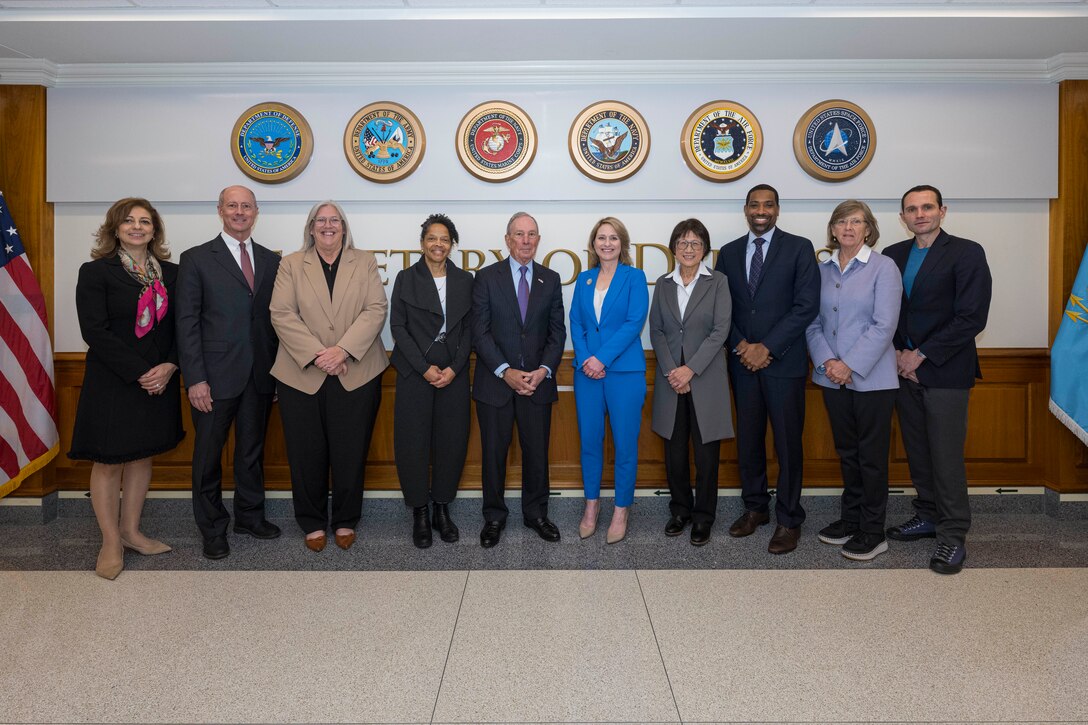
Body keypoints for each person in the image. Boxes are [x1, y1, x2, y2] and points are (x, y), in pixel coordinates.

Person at [68, 197, 183, 580]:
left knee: (141, 456)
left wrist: (168, 366)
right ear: (115, 228)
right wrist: (140, 372)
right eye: (129, 221)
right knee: (108, 460)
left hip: (160, 378)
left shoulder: (173, 273)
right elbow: (94, 331)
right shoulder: (95, 272)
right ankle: (110, 541)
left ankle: (132, 532)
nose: (137, 227)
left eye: (145, 221)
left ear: (155, 230)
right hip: (114, 381)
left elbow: (182, 327)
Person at [883, 185, 992, 575]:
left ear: (942, 211)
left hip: (945, 369)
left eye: (927, 207)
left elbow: (971, 317)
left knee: (945, 457)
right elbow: (886, 311)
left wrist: (921, 354)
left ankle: (952, 535)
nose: (920, 214)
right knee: (918, 451)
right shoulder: (893, 255)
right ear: (903, 217)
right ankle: (927, 515)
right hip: (902, 370)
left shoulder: (966, 252)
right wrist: (897, 352)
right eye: (911, 209)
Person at [270, 201, 388, 552]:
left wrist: (342, 350)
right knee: (307, 453)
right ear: (310, 228)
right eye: (320, 220)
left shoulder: (363, 261)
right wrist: (320, 355)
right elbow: (281, 313)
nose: (327, 225)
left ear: (344, 227)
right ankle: (312, 522)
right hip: (301, 373)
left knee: (351, 451)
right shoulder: (291, 264)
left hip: (357, 370)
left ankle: (346, 520)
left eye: (334, 220)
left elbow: (376, 308)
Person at [176, 185, 281, 560]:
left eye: (247, 206)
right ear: (220, 210)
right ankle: (212, 528)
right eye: (233, 206)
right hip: (213, 377)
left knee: (251, 452)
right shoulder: (197, 259)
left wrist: (277, 374)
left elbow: (275, 323)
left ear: (256, 212)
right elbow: (186, 323)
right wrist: (196, 379)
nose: (240, 212)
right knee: (207, 457)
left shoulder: (271, 260)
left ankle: (249, 517)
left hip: (259, 376)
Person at [714, 184, 819, 555]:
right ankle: (755, 508)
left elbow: (806, 306)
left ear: (778, 209)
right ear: (745, 210)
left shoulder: (800, 248)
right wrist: (743, 346)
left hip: (784, 363)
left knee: (788, 443)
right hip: (742, 364)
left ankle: (789, 519)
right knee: (749, 440)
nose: (761, 210)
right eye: (755, 205)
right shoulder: (727, 253)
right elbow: (721, 308)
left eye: (768, 205)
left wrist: (767, 347)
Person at [805, 200, 902, 561]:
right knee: (848, 453)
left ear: (868, 229)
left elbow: (884, 325)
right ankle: (852, 519)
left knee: (872, 457)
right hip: (831, 378)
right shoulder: (822, 269)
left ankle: (874, 531)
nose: (848, 227)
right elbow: (812, 322)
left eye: (856, 221)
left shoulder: (883, 268)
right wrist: (828, 361)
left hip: (872, 380)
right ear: (832, 229)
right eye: (842, 221)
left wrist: (848, 364)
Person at [472, 212, 566, 548]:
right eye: (519, 234)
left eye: (532, 235)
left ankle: (536, 514)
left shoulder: (550, 279)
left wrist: (542, 371)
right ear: (508, 239)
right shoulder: (485, 278)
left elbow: (558, 334)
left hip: (537, 384)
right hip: (496, 384)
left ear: (538, 240)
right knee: (494, 454)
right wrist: (505, 371)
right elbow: (479, 333)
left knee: (537, 453)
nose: (526, 240)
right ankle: (494, 518)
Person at [390, 213, 473, 549]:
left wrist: (453, 368)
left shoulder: (466, 280)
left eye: (444, 239)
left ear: (452, 245)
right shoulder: (405, 278)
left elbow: (469, 330)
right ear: (422, 243)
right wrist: (424, 368)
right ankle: (420, 512)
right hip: (415, 374)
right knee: (412, 444)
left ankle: (442, 509)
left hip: (453, 375)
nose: (438, 244)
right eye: (432, 238)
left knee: (451, 443)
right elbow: (398, 328)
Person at [649, 219, 733, 546]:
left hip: (705, 379)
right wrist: (674, 370)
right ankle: (680, 510)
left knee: (706, 453)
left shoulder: (718, 282)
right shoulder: (664, 283)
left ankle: (703, 516)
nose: (688, 249)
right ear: (673, 248)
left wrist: (690, 370)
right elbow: (656, 330)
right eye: (683, 243)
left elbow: (720, 331)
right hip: (672, 382)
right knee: (675, 452)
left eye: (695, 243)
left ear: (704, 249)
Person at [569, 217, 649, 544]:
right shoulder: (584, 279)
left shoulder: (635, 277)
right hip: (587, 374)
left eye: (613, 238)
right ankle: (591, 507)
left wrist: (602, 358)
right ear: (593, 244)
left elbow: (634, 323)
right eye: (601, 237)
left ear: (622, 244)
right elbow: (576, 321)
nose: (607, 243)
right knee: (589, 442)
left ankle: (621, 509)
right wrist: (589, 358)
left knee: (625, 445)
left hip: (624, 373)